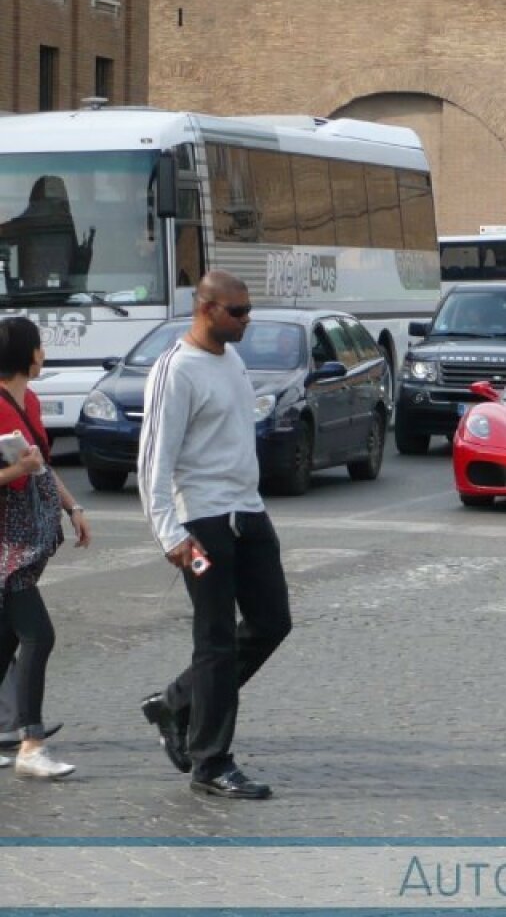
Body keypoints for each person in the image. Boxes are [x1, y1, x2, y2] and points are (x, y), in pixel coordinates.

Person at [137, 270, 292, 800]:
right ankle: (211, 762)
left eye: (248, 310)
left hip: (247, 515)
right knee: (216, 640)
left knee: (273, 621)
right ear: (207, 310)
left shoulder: (232, 361)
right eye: (237, 312)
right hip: (200, 524)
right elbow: (152, 462)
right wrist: (169, 533)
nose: (247, 320)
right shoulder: (174, 371)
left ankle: (175, 702)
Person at [0, 315, 89, 778]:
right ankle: (31, 745)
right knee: (38, 634)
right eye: (40, 348)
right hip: (5, 548)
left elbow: (43, 464)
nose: (44, 355)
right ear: (28, 355)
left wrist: (73, 508)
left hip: (24, 543)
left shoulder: (27, 401)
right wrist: (18, 470)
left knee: (7, 638)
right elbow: (25, 468)